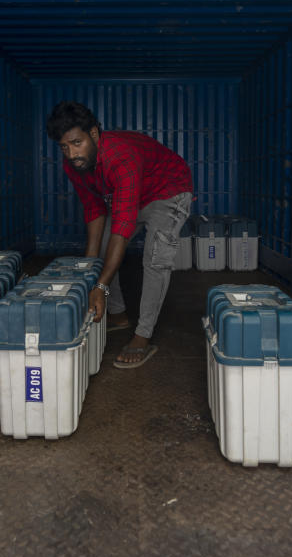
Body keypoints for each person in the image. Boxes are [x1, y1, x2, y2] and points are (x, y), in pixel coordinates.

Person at [46, 101, 193, 369]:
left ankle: (142, 335)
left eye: (77, 143)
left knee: (155, 258)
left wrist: (99, 286)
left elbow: (122, 228)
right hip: (135, 195)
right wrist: (89, 273)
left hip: (169, 189)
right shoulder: (74, 164)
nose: (71, 153)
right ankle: (117, 314)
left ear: (93, 133)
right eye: (64, 147)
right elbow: (94, 209)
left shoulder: (120, 157)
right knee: (102, 253)